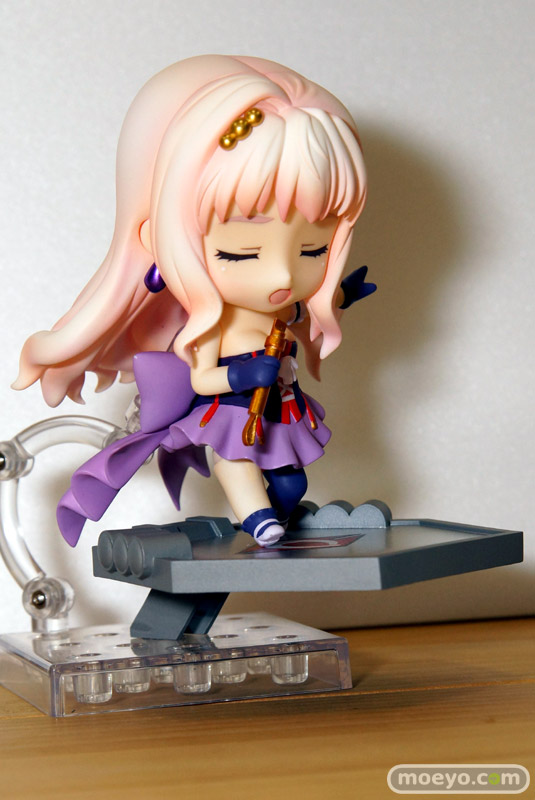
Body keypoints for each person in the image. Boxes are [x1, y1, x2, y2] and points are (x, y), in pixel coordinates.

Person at [13, 55, 373, 547]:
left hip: (279, 405)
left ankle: (276, 516)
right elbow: (202, 378)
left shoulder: (278, 309)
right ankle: (255, 515)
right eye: (241, 252)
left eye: (313, 250)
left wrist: (341, 294)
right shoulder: (210, 325)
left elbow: (299, 316)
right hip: (232, 404)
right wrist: (242, 376)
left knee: (292, 484)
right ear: (160, 241)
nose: (284, 275)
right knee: (238, 460)